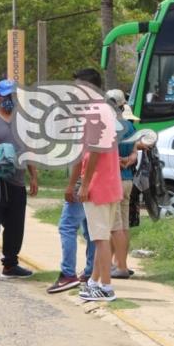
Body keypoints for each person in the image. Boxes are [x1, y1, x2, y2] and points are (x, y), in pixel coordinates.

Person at [0, 79, 39, 282]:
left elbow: (28, 148)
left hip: (18, 181)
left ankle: (10, 264)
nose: (10, 100)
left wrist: (34, 175)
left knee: (15, 226)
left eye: (14, 96)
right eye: (7, 96)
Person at [46, 68, 101, 294]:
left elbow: (84, 154)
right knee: (90, 230)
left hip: (85, 179)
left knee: (68, 226)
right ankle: (89, 272)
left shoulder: (89, 114)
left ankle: (68, 273)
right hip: (98, 180)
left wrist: (73, 184)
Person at [77, 79, 123, 302]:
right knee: (100, 236)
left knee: (100, 238)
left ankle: (106, 286)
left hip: (99, 185)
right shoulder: (107, 111)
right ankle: (95, 281)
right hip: (111, 183)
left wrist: (85, 184)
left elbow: (95, 149)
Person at [106, 89, 138, 280]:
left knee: (114, 226)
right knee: (123, 225)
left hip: (113, 180)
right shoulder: (130, 126)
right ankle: (117, 263)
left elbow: (107, 153)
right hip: (128, 179)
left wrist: (117, 161)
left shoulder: (110, 126)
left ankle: (121, 267)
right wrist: (128, 160)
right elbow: (135, 152)